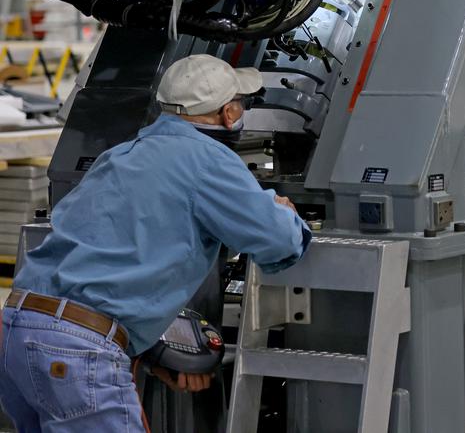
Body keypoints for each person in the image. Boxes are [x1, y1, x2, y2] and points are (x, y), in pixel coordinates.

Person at [0, 54, 311, 432]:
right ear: (229, 113)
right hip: (77, 351)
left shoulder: (120, 154)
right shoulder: (208, 159)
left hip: (17, 331)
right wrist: (286, 213)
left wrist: (149, 347)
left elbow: (116, 259)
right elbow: (278, 241)